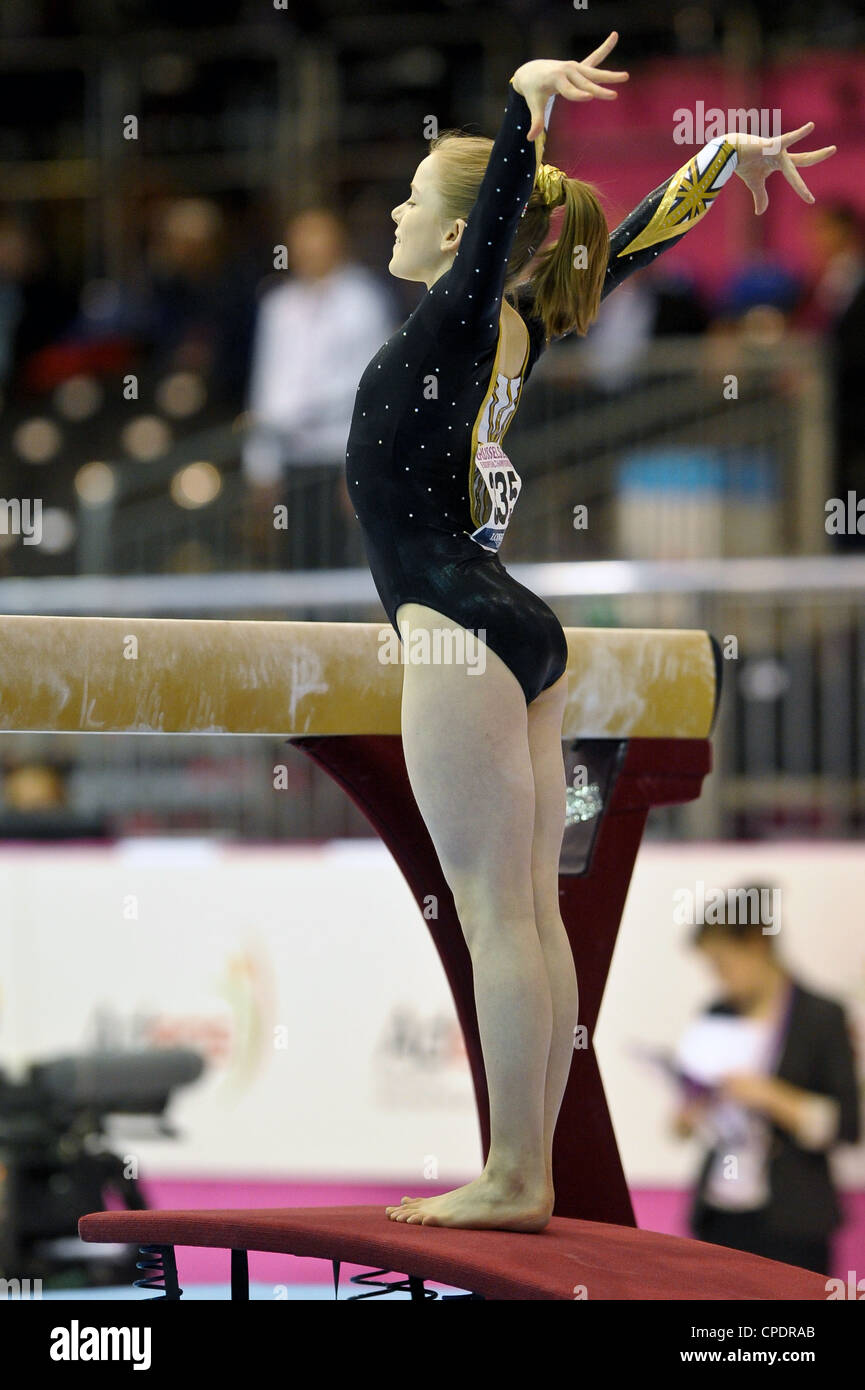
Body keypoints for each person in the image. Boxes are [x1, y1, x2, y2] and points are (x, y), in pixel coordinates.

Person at [344, 33, 835, 1231]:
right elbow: (621, 250)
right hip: (516, 631)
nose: (399, 213)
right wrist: (719, 161)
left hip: (454, 625)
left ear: (458, 240)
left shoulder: (460, 324)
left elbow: (516, 206)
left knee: (496, 914)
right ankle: (533, 1172)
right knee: (529, 911)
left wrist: (520, 109)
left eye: (415, 200)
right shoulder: (516, 324)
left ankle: (515, 1173)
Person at [673, 888, 860, 1275]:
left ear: (757, 945)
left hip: (793, 1220)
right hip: (719, 1212)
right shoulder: (717, 1012)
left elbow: (848, 1125)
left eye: (723, 964)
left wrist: (771, 1096)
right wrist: (690, 1112)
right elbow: (682, 1124)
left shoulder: (821, 1016)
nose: (719, 979)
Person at [243, 208, 395, 566]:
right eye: (301, 245)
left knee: (342, 564)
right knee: (295, 562)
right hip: (291, 457)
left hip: (337, 457)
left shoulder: (362, 301)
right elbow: (267, 384)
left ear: (337, 246)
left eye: (318, 243)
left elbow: (373, 386)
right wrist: (261, 466)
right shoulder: (277, 305)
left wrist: (362, 465)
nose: (309, 252)